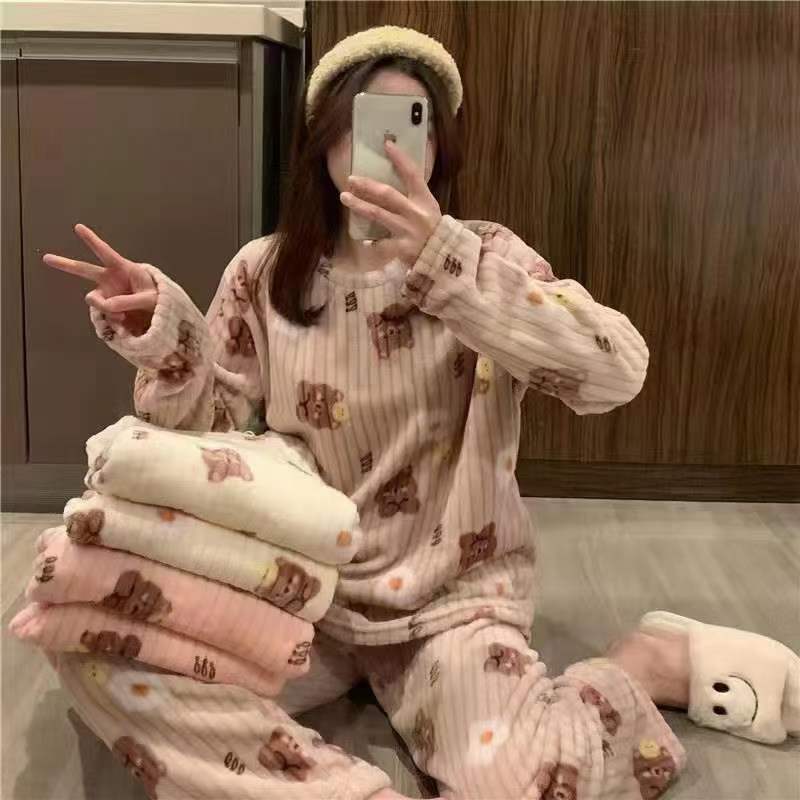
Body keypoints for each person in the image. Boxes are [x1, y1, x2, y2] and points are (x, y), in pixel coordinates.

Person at [44, 25, 798, 800]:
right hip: (300, 591)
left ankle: (648, 662)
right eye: (363, 126)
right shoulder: (266, 271)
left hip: (450, 610)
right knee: (98, 645)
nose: (388, 151)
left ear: (439, 146)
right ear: (324, 140)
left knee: (530, 784)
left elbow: (616, 373)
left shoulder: (486, 259)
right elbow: (214, 441)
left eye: (412, 127)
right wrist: (167, 337)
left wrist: (447, 263)